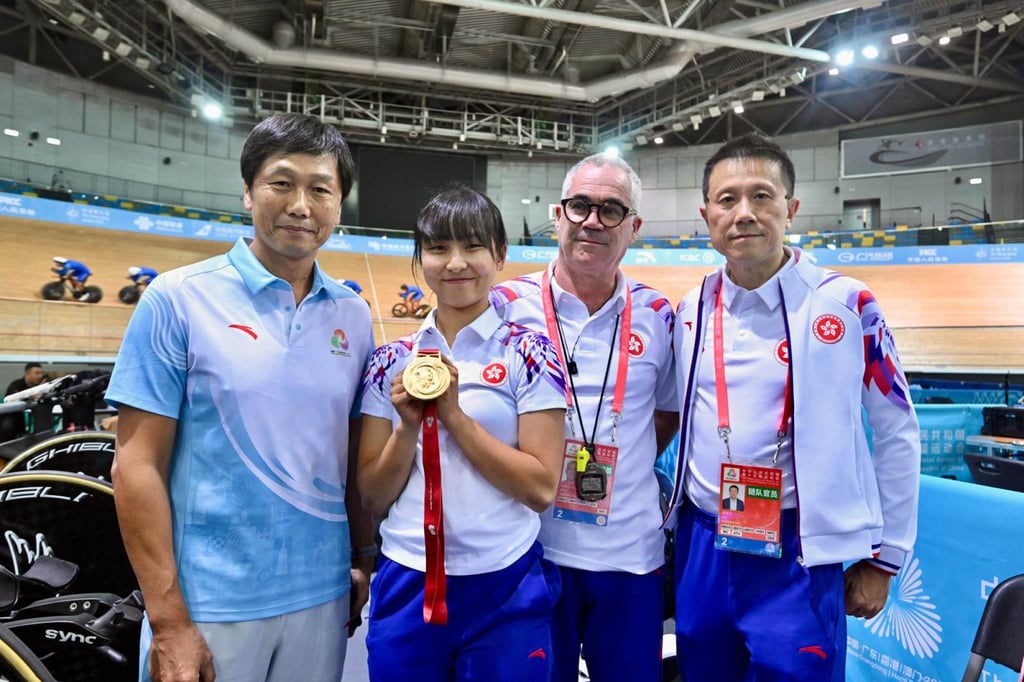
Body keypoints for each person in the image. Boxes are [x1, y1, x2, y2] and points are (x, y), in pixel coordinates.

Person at [105, 113, 376, 682]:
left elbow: (349, 453)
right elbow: (135, 463)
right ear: (249, 191)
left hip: (321, 598)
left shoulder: (353, 315)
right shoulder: (176, 299)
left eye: (321, 189)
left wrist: (358, 560)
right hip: (208, 607)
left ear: (338, 203)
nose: (301, 205)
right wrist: (170, 620)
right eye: (282, 183)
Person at [666, 133, 921, 681]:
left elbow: (897, 430)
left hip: (799, 550)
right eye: (727, 199)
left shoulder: (849, 304)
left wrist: (885, 558)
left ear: (791, 209)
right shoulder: (690, 309)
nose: (744, 214)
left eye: (762, 196)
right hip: (704, 544)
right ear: (706, 214)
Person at [359, 186, 567, 681]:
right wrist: (408, 427)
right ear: (419, 260)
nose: (456, 263)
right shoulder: (389, 360)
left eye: (473, 247)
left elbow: (540, 488)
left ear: (499, 255)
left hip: (506, 584)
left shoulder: (532, 354)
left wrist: (454, 416)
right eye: (438, 249)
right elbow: (372, 495)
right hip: (406, 579)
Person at [490, 153, 678, 682]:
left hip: (630, 560)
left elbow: (664, 416)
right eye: (580, 206)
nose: (593, 221)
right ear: (558, 215)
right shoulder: (504, 305)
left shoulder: (660, 315)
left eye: (611, 210)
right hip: (530, 553)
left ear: (634, 227)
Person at [1, 362, 45, 440]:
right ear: (27, 374)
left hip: (31, 422)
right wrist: (31, 397)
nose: (40, 376)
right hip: (10, 422)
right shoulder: (16, 385)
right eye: (37, 373)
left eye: (42, 373)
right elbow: (11, 399)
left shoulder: (41, 387)